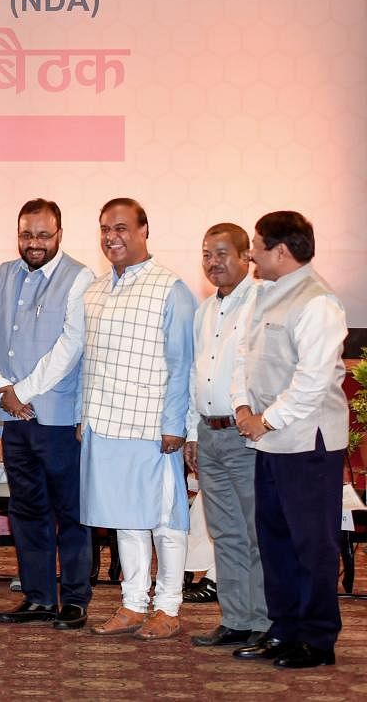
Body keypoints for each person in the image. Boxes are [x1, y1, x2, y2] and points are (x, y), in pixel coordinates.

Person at [230, 211, 348, 669]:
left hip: (307, 443)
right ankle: (283, 631)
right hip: (270, 439)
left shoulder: (319, 302)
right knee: (274, 539)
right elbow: (245, 356)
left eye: (257, 244)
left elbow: (312, 381)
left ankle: (317, 640)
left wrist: (266, 419)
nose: (251, 253)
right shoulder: (264, 293)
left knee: (311, 544)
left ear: (282, 250)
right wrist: (242, 406)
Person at [0, 198, 95, 630]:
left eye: (44, 235)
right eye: (27, 235)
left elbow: (69, 346)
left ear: (59, 234)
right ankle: (39, 597)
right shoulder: (2, 275)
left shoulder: (80, 278)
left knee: (71, 513)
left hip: (59, 418)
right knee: (27, 511)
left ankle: (76, 598)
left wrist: (18, 391)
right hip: (14, 421)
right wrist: (1, 388)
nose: (35, 243)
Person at [80, 198, 197, 640]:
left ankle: (168, 606)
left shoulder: (171, 289)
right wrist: (82, 416)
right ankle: (132, 604)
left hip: (153, 427)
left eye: (123, 228)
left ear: (145, 229)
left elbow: (182, 362)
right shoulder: (94, 289)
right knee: (125, 518)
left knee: (165, 520)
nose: (113, 236)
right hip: (104, 424)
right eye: (106, 228)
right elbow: (86, 361)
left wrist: (176, 424)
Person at [181, 223, 269, 647]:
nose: (213, 263)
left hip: (246, 436)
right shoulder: (204, 310)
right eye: (206, 255)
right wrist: (190, 432)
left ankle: (266, 624)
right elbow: (194, 375)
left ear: (245, 258)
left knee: (257, 533)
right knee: (225, 532)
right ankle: (236, 618)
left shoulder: (261, 305)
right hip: (208, 433)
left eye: (221, 254)